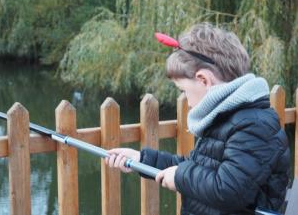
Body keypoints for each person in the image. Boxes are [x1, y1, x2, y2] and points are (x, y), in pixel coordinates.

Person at [105, 23, 290, 215]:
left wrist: (179, 176)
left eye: (184, 90)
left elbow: (229, 190)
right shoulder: (226, 117)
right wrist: (141, 159)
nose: (187, 101)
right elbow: (197, 168)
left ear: (203, 80)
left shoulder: (255, 125)